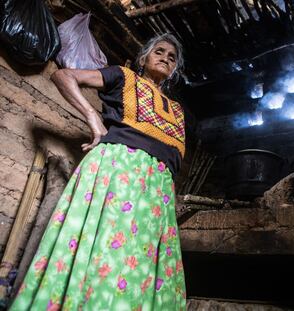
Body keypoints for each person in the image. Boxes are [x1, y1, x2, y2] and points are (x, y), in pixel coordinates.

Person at [10, 33, 186, 311]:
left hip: (157, 192)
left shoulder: (177, 111)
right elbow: (64, 76)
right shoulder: (123, 76)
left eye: (172, 57)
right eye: (159, 51)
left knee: (138, 261)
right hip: (120, 173)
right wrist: (93, 119)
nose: (165, 57)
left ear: (174, 70)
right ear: (144, 58)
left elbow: (173, 159)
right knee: (108, 249)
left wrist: (169, 197)